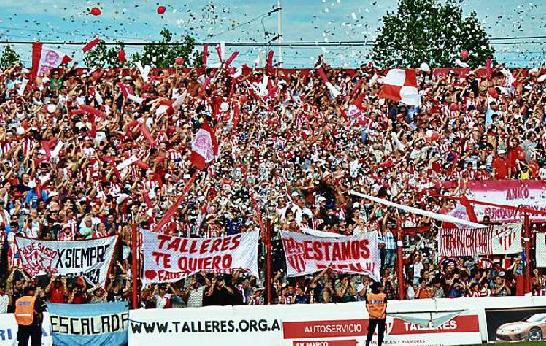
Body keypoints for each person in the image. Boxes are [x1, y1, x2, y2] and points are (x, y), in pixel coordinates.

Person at [366, 282, 387, 346]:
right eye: (380, 287)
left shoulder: (369, 295)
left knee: (371, 331)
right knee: (380, 332)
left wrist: (371, 313)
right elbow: (385, 306)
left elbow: (367, 306)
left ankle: (368, 342)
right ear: (378, 288)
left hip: (373, 316)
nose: (381, 288)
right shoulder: (383, 295)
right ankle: (378, 344)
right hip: (381, 316)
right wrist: (381, 314)